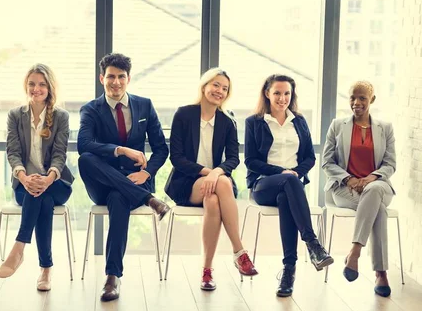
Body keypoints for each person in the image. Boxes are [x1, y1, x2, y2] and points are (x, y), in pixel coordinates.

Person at [77, 53, 170, 302]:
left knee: (120, 198)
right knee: (85, 158)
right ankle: (150, 199)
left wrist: (147, 172)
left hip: (136, 178)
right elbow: (83, 143)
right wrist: (120, 150)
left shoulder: (145, 106)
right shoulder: (91, 109)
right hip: (102, 183)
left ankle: (111, 277)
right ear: (101, 78)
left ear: (129, 78)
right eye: (110, 77)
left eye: (120, 77)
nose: (115, 82)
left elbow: (162, 149)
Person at [165, 68, 258, 291]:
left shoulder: (228, 121)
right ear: (204, 86)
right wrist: (211, 173)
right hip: (187, 182)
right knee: (223, 183)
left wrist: (217, 172)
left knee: (214, 201)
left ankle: (207, 272)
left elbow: (234, 159)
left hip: (217, 187)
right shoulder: (184, 114)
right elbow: (176, 158)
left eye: (225, 88)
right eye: (215, 85)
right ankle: (239, 252)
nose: (219, 91)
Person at [244, 74, 333, 297]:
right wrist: (283, 173)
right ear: (267, 93)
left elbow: (309, 158)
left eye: (286, 94)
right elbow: (251, 160)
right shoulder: (254, 122)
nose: (282, 98)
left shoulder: (299, 121)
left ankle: (288, 271)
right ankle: (313, 244)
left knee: (287, 197)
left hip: (290, 187)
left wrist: (294, 173)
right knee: (290, 182)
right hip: (263, 185)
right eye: (277, 93)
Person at [0, 64, 74, 291]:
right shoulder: (15, 115)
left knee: (45, 194)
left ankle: (19, 248)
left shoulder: (61, 116)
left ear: (49, 88)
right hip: (25, 184)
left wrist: (48, 179)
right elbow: (13, 152)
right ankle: (46, 269)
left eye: (41, 84)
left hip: (56, 183)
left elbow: (60, 154)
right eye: (32, 84)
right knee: (42, 200)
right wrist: (24, 177)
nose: (36, 89)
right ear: (26, 86)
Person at [322, 81, 396, 297]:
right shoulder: (337, 125)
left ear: (371, 100)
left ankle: (355, 251)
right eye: (353, 97)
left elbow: (390, 164)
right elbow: (327, 162)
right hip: (346, 189)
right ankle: (381, 273)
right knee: (378, 210)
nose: (356, 102)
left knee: (374, 193)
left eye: (362, 98)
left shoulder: (386, 128)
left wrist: (372, 177)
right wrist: (348, 179)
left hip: (378, 185)